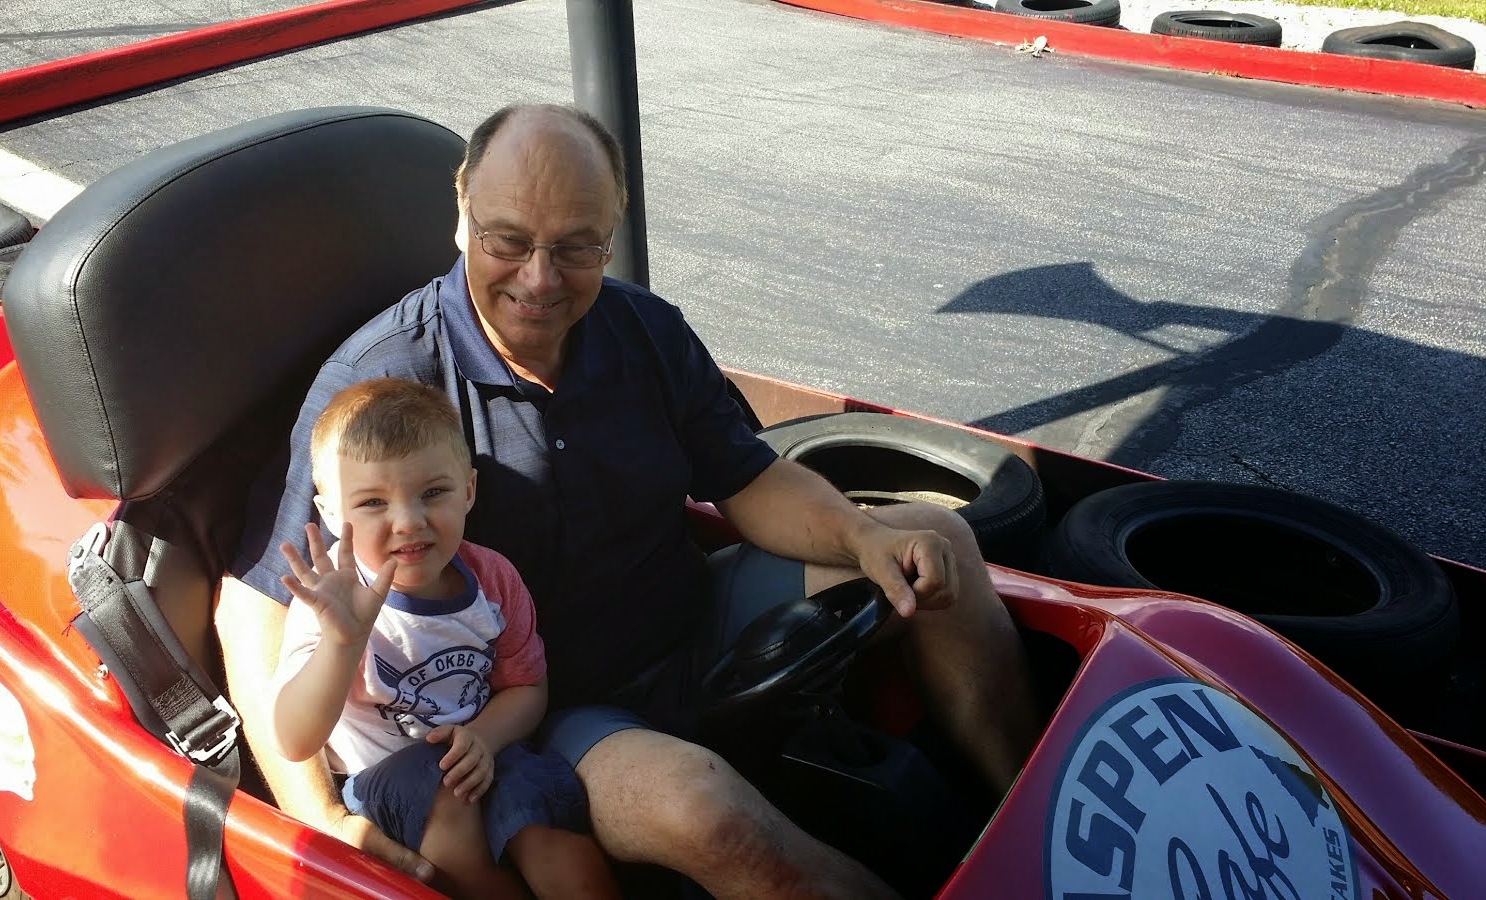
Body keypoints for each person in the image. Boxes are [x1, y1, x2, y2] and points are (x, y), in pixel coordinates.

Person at [218, 102, 1039, 899]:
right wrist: (315, 813)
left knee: (938, 541)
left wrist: (862, 537)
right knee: (707, 815)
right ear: (463, 212)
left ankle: (1030, 833)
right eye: (509, 241)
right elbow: (255, 603)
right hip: (543, 710)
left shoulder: (645, 329)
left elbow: (749, 480)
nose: (540, 279)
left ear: (611, 230)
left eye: (578, 247)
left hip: (690, 620)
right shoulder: (383, 383)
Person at [270, 377, 618, 899]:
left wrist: (486, 736)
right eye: (371, 503)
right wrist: (339, 644)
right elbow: (295, 741)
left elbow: (528, 688)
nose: (408, 522)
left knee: (553, 834)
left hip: (485, 749)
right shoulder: (332, 605)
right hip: (387, 782)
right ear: (329, 515)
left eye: (433, 493)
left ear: (469, 490)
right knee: (451, 803)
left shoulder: (493, 580)